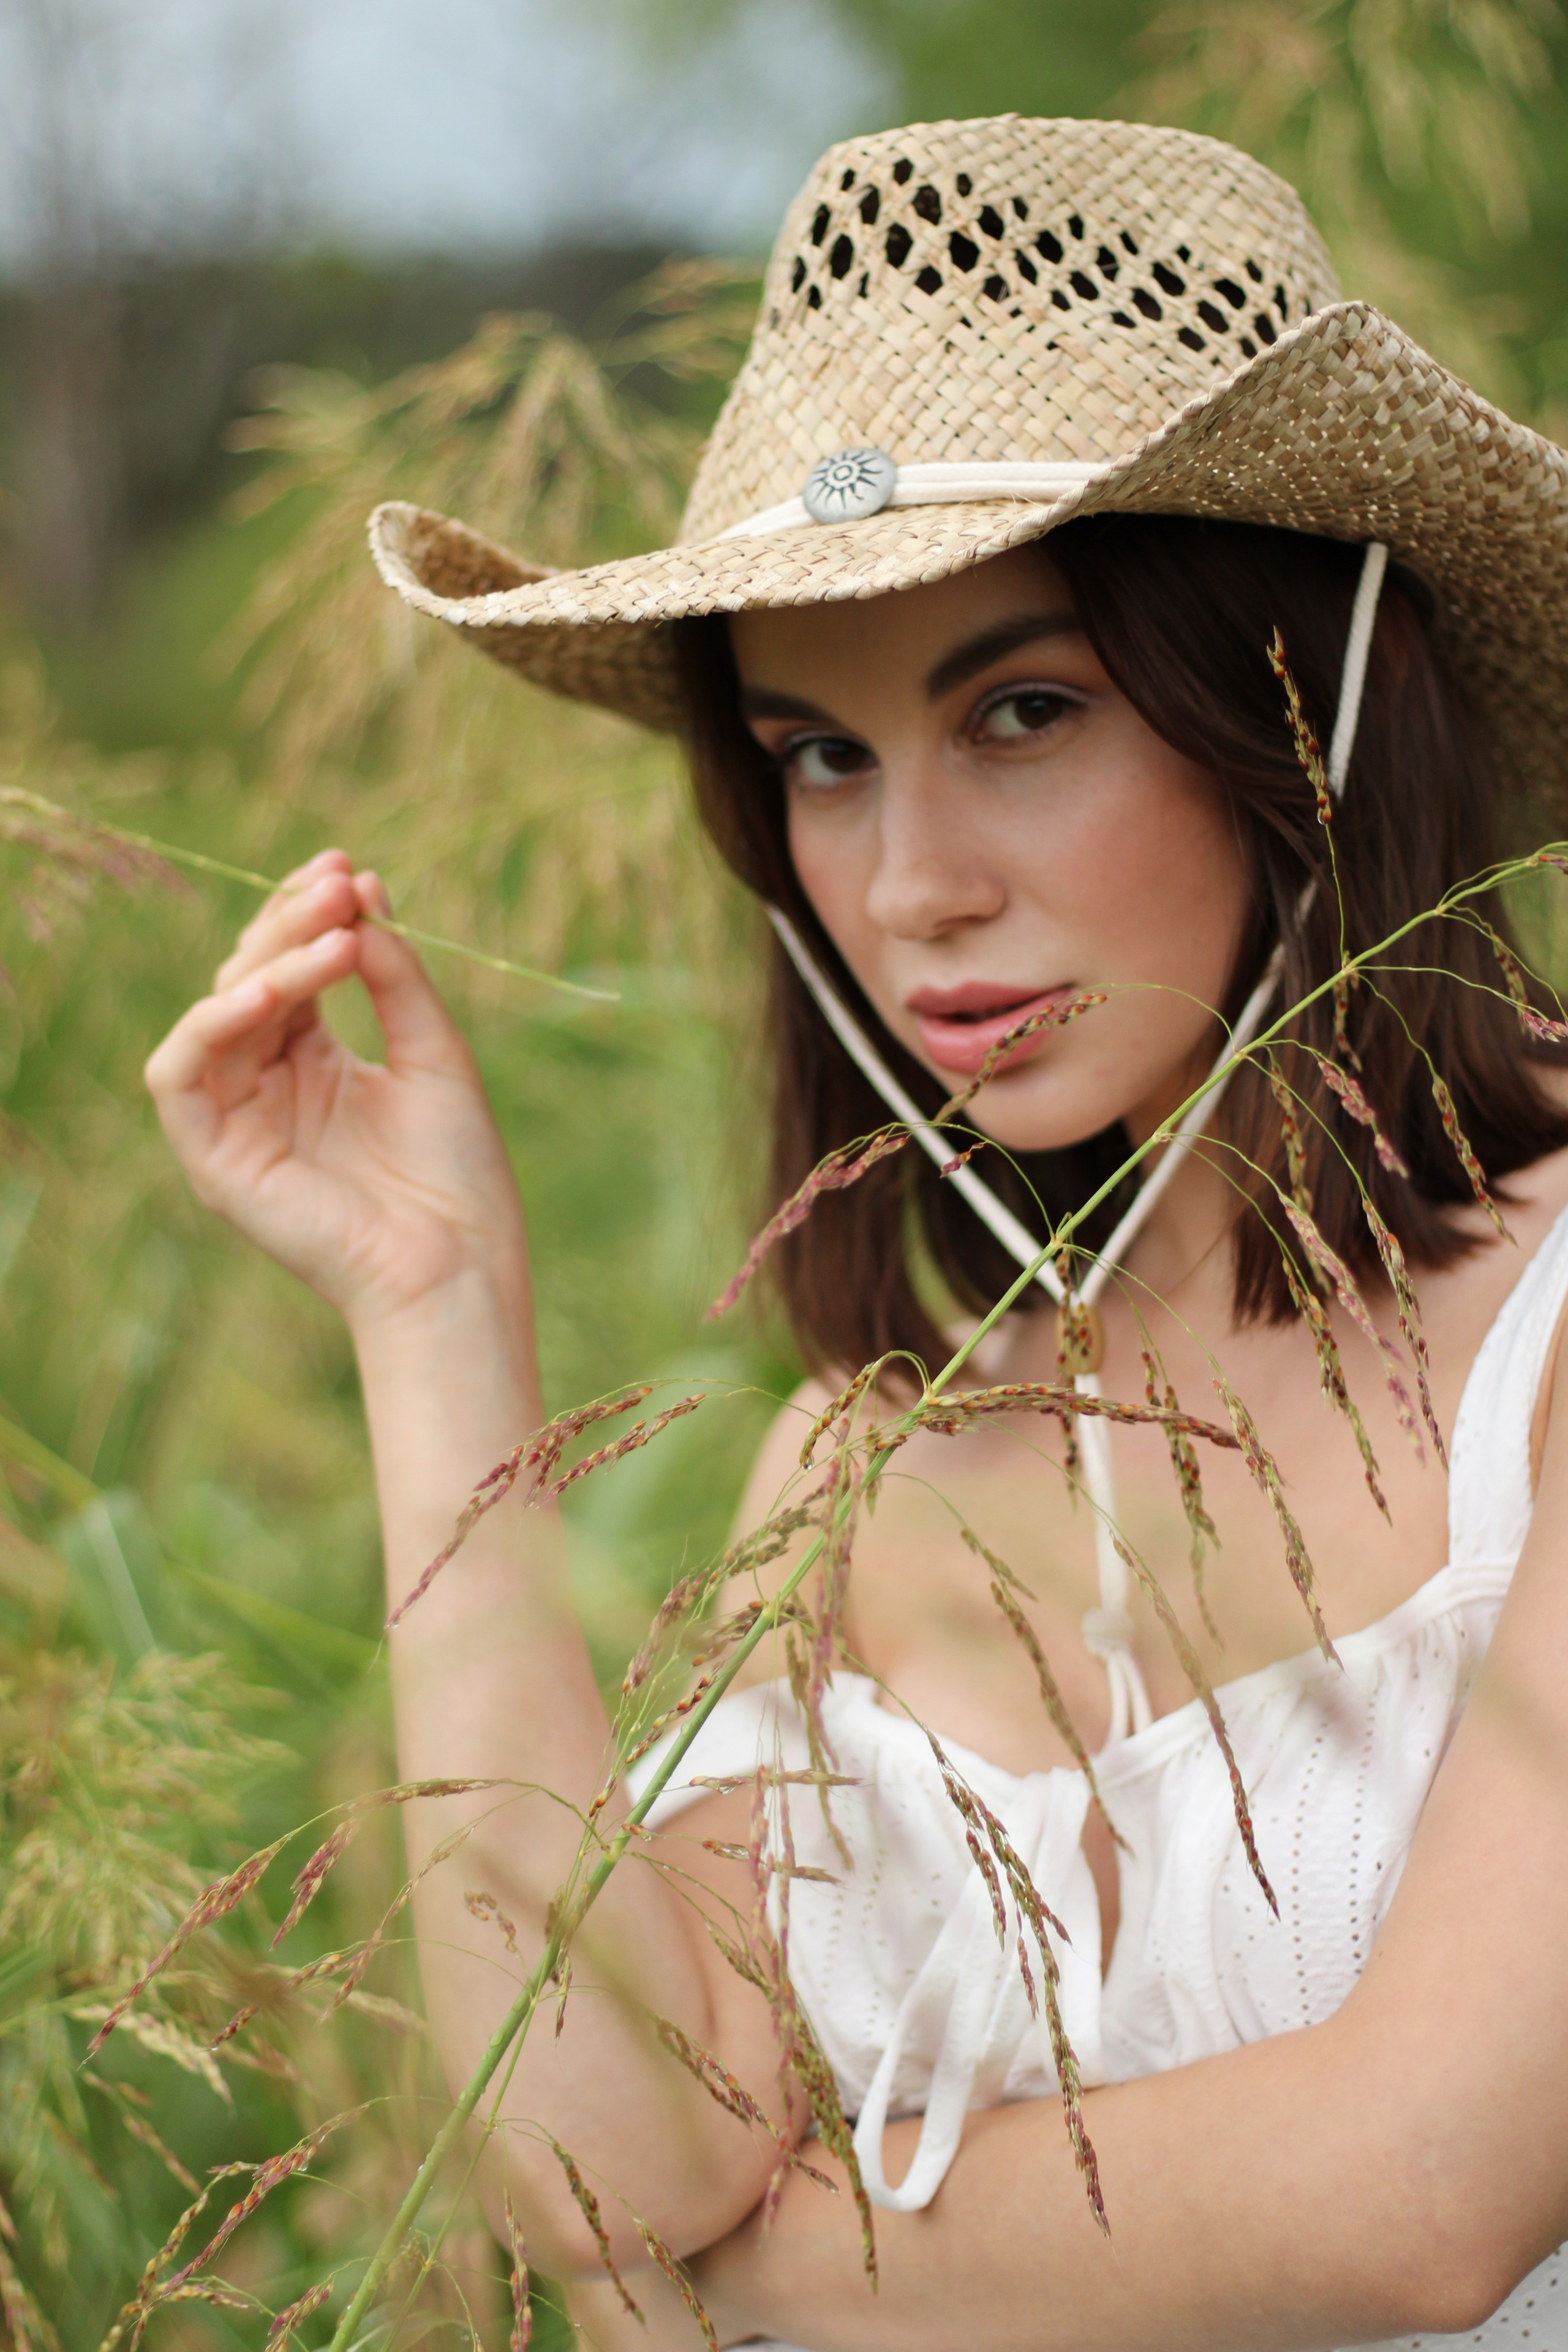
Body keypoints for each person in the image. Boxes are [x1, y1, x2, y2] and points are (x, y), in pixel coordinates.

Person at [145, 116, 1568, 2351]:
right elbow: (601, 2145)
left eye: (1024, 710)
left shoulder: (1555, 1328)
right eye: (820, 754)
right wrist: (432, 1318)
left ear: (1303, 709)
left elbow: (1422, 2190)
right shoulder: (872, 1458)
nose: (909, 887)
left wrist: (754, 2277)